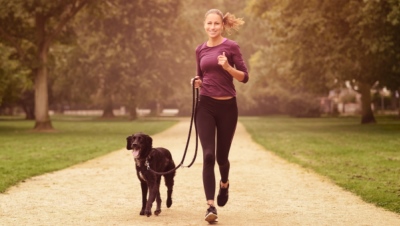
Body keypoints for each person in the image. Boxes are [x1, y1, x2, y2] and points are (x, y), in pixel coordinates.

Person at [192, 8, 249, 223]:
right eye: (209, 24)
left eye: (216, 24)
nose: (212, 27)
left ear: (222, 25)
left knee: (221, 157)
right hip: (205, 106)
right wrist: (196, 82)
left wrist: (228, 68)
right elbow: (200, 75)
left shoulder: (231, 47)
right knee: (208, 155)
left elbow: (245, 77)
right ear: (204, 25)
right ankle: (210, 206)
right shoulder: (200, 50)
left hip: (227, 108)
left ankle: (224, 183)